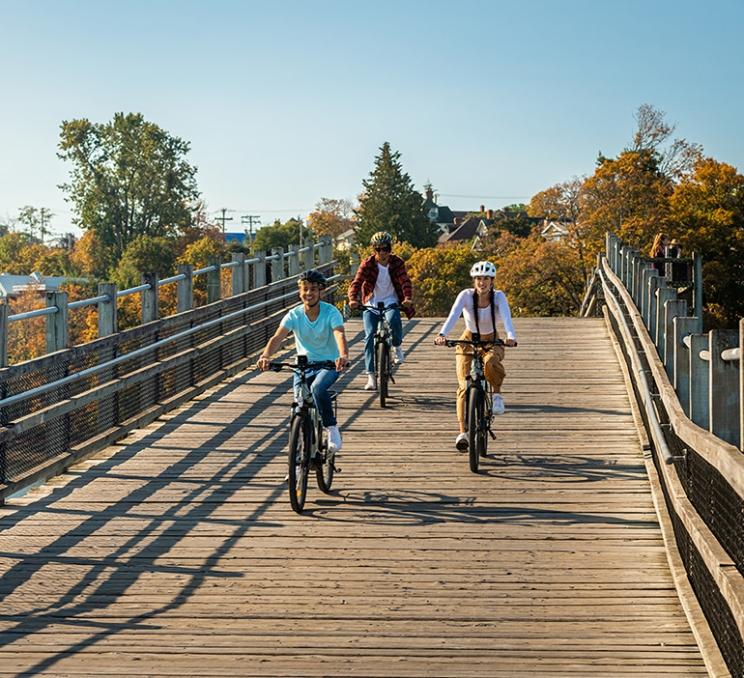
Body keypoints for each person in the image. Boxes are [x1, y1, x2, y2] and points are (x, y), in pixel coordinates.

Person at [258, 270, 350, 452]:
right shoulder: (294, 314)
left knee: (318, 388)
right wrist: (265, 356)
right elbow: (278, 337)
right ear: (299, 292)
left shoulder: (331, 312)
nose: (309, 293)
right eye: (305, 289)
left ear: (322, 292)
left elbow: (339, 333)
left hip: (329, 364)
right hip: (303, 365)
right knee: (298, 407)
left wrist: (343, 355)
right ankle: (298, 463)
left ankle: (331, 428)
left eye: (314, 289)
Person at [434, 261, 517, 451]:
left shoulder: (498, 297)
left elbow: (506, 318)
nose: (482, 282)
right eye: (479, 279)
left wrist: (511, 336)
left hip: (492, 340)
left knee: (490, 362)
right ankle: (463, 432)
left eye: (486, 279)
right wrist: (442, 335)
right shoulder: (465, 296)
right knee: (464, 386)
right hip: (468, 340)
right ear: (474, 280)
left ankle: (496, 394)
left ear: (492, 280)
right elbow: (453, 315)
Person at [348, 231, 414, 391]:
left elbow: (405, 280)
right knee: (369, 336)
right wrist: (353, 299)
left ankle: (397, 347)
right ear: (374, 249)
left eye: (386, 248)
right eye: (379, 249)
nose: (383, 252)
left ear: (390, 248)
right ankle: (371, 376)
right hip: (371, 302)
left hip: (391, 301)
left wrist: (407, 298)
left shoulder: (397, 262)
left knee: (394, 321)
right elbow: (357, 282)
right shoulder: (367, 264)